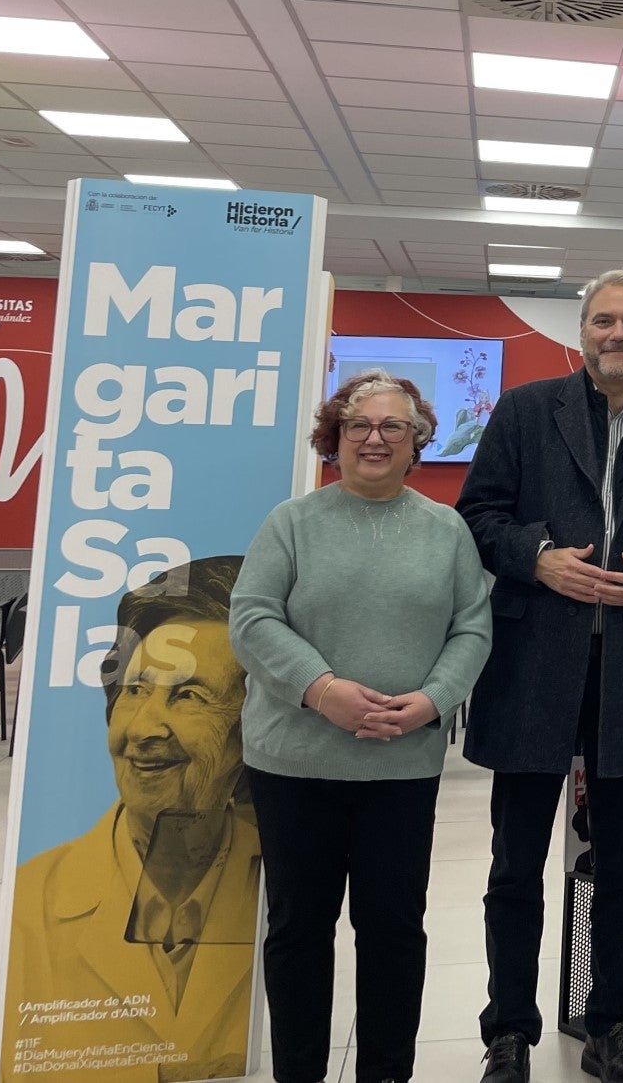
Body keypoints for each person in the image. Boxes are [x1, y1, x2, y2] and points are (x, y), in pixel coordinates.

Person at [457, 269, 623, 1083]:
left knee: (621, 867)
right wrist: (537, 559)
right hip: (535, 665)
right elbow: (478, 517)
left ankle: (612, 1024)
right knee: (514, 868)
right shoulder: (525, 410)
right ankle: (509, 1033)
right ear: (581, 332)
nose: (619, 334)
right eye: (604, 321)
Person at [229, 371, 493, 1083]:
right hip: (294, 763)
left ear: (417, 443)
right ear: (334, 437)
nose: (374, 438)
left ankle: (384, 1073)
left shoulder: (446, 530)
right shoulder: (291, 523)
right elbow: (251, 618)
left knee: (392, 933)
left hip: (400, 769)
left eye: (392, 427)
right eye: (358, 425)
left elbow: (472, 626)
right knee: (298, 932)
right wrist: (321, 690)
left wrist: (434, 698)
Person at [5, 556, 258, 1083]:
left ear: (252, 724)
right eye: (135, 691)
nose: (144, 727)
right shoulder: (31, 906)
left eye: (189, 696)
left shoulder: (293, 885)